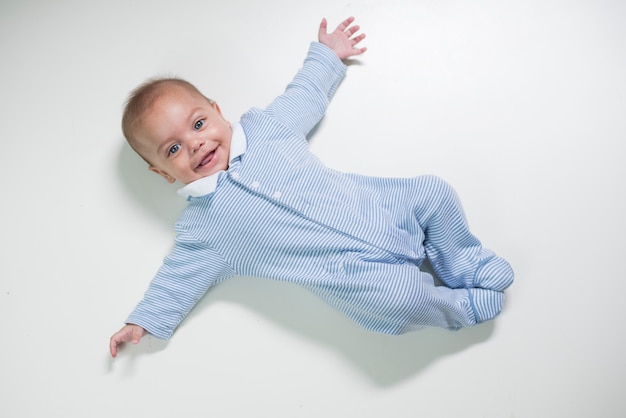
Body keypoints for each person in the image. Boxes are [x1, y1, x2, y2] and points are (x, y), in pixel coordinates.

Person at [110, 16, 513, 358]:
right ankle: (462, 307)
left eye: (198, 124)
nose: (196, 143)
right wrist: (143, 321)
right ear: (163, 173)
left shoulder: (266, 130)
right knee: (398, 301)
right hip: (355, 277)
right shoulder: (203, 229)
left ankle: (467, 263)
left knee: (432, 191)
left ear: (218, 113)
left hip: (382, 208)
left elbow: (303, 95)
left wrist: (327, 55)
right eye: (174, 148)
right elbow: (176, 278)